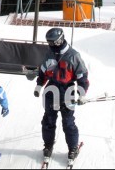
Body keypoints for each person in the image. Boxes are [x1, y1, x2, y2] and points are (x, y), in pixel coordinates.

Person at [34, 28, 89, 162]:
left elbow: (82, 76)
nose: (51, 45)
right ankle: (48, 145)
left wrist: (81, 93)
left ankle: (73, 147)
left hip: (67, 91)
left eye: (53, 43)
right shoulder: (49, 54)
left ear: (60, 40)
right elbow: (43, 71)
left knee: (68, 122)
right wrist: (39, 85)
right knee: (48, 120)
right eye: (49, 43)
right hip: (51, 91)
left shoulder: (73, 55)